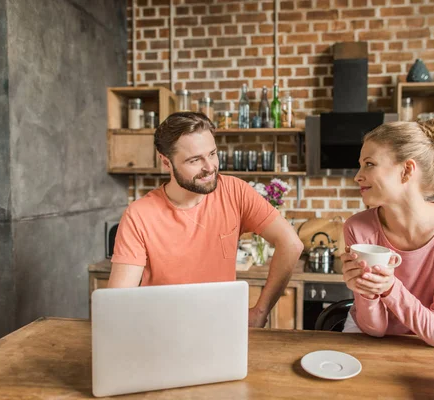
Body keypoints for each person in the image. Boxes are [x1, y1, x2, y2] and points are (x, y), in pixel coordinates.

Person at [108, 112, 304, 328]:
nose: (210, 167)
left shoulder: (235, 191)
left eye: (212, 154)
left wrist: (260, 311)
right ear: (166, 162)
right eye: (195, 160)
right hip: (162, 332)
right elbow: (118, 302)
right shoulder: (139, 215)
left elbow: (292, 244)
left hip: (222, 328)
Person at [340, 118, 434, 347]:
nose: (357, 176)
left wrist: (389, 288)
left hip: (423, 342)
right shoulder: (357, 228)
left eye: (369, 164)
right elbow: (374, 329)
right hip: (364, 339)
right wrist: (367, 291)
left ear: (406, 170)